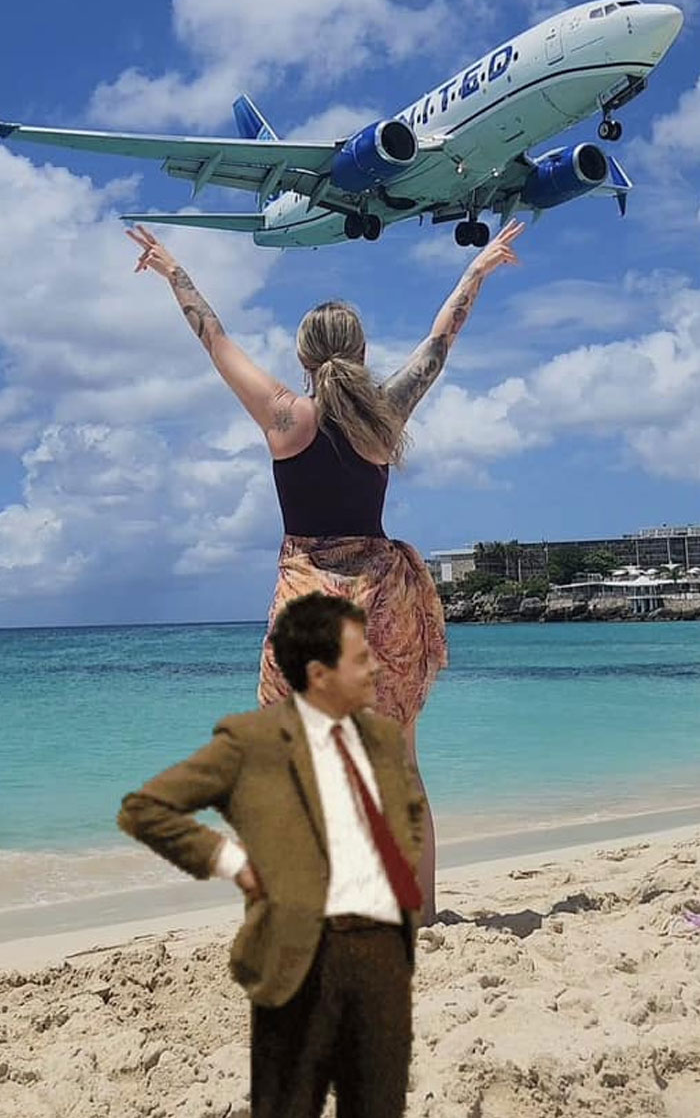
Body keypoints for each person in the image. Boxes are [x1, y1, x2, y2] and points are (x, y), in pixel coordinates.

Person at [127, 215, 523, 921]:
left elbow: (213, 338)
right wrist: (476, 270)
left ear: (304, 356)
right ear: (362, 351)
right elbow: (440, 341)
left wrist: (172, 271)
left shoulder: (285, 416)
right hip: (385, 600)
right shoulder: (386, 414)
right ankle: (422, 909)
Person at [118, 591, 425, 1118]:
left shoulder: (381, 739)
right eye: (360, 658)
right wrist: (232, 863)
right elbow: (146, 810)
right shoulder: (250, 743)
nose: (376, 664)